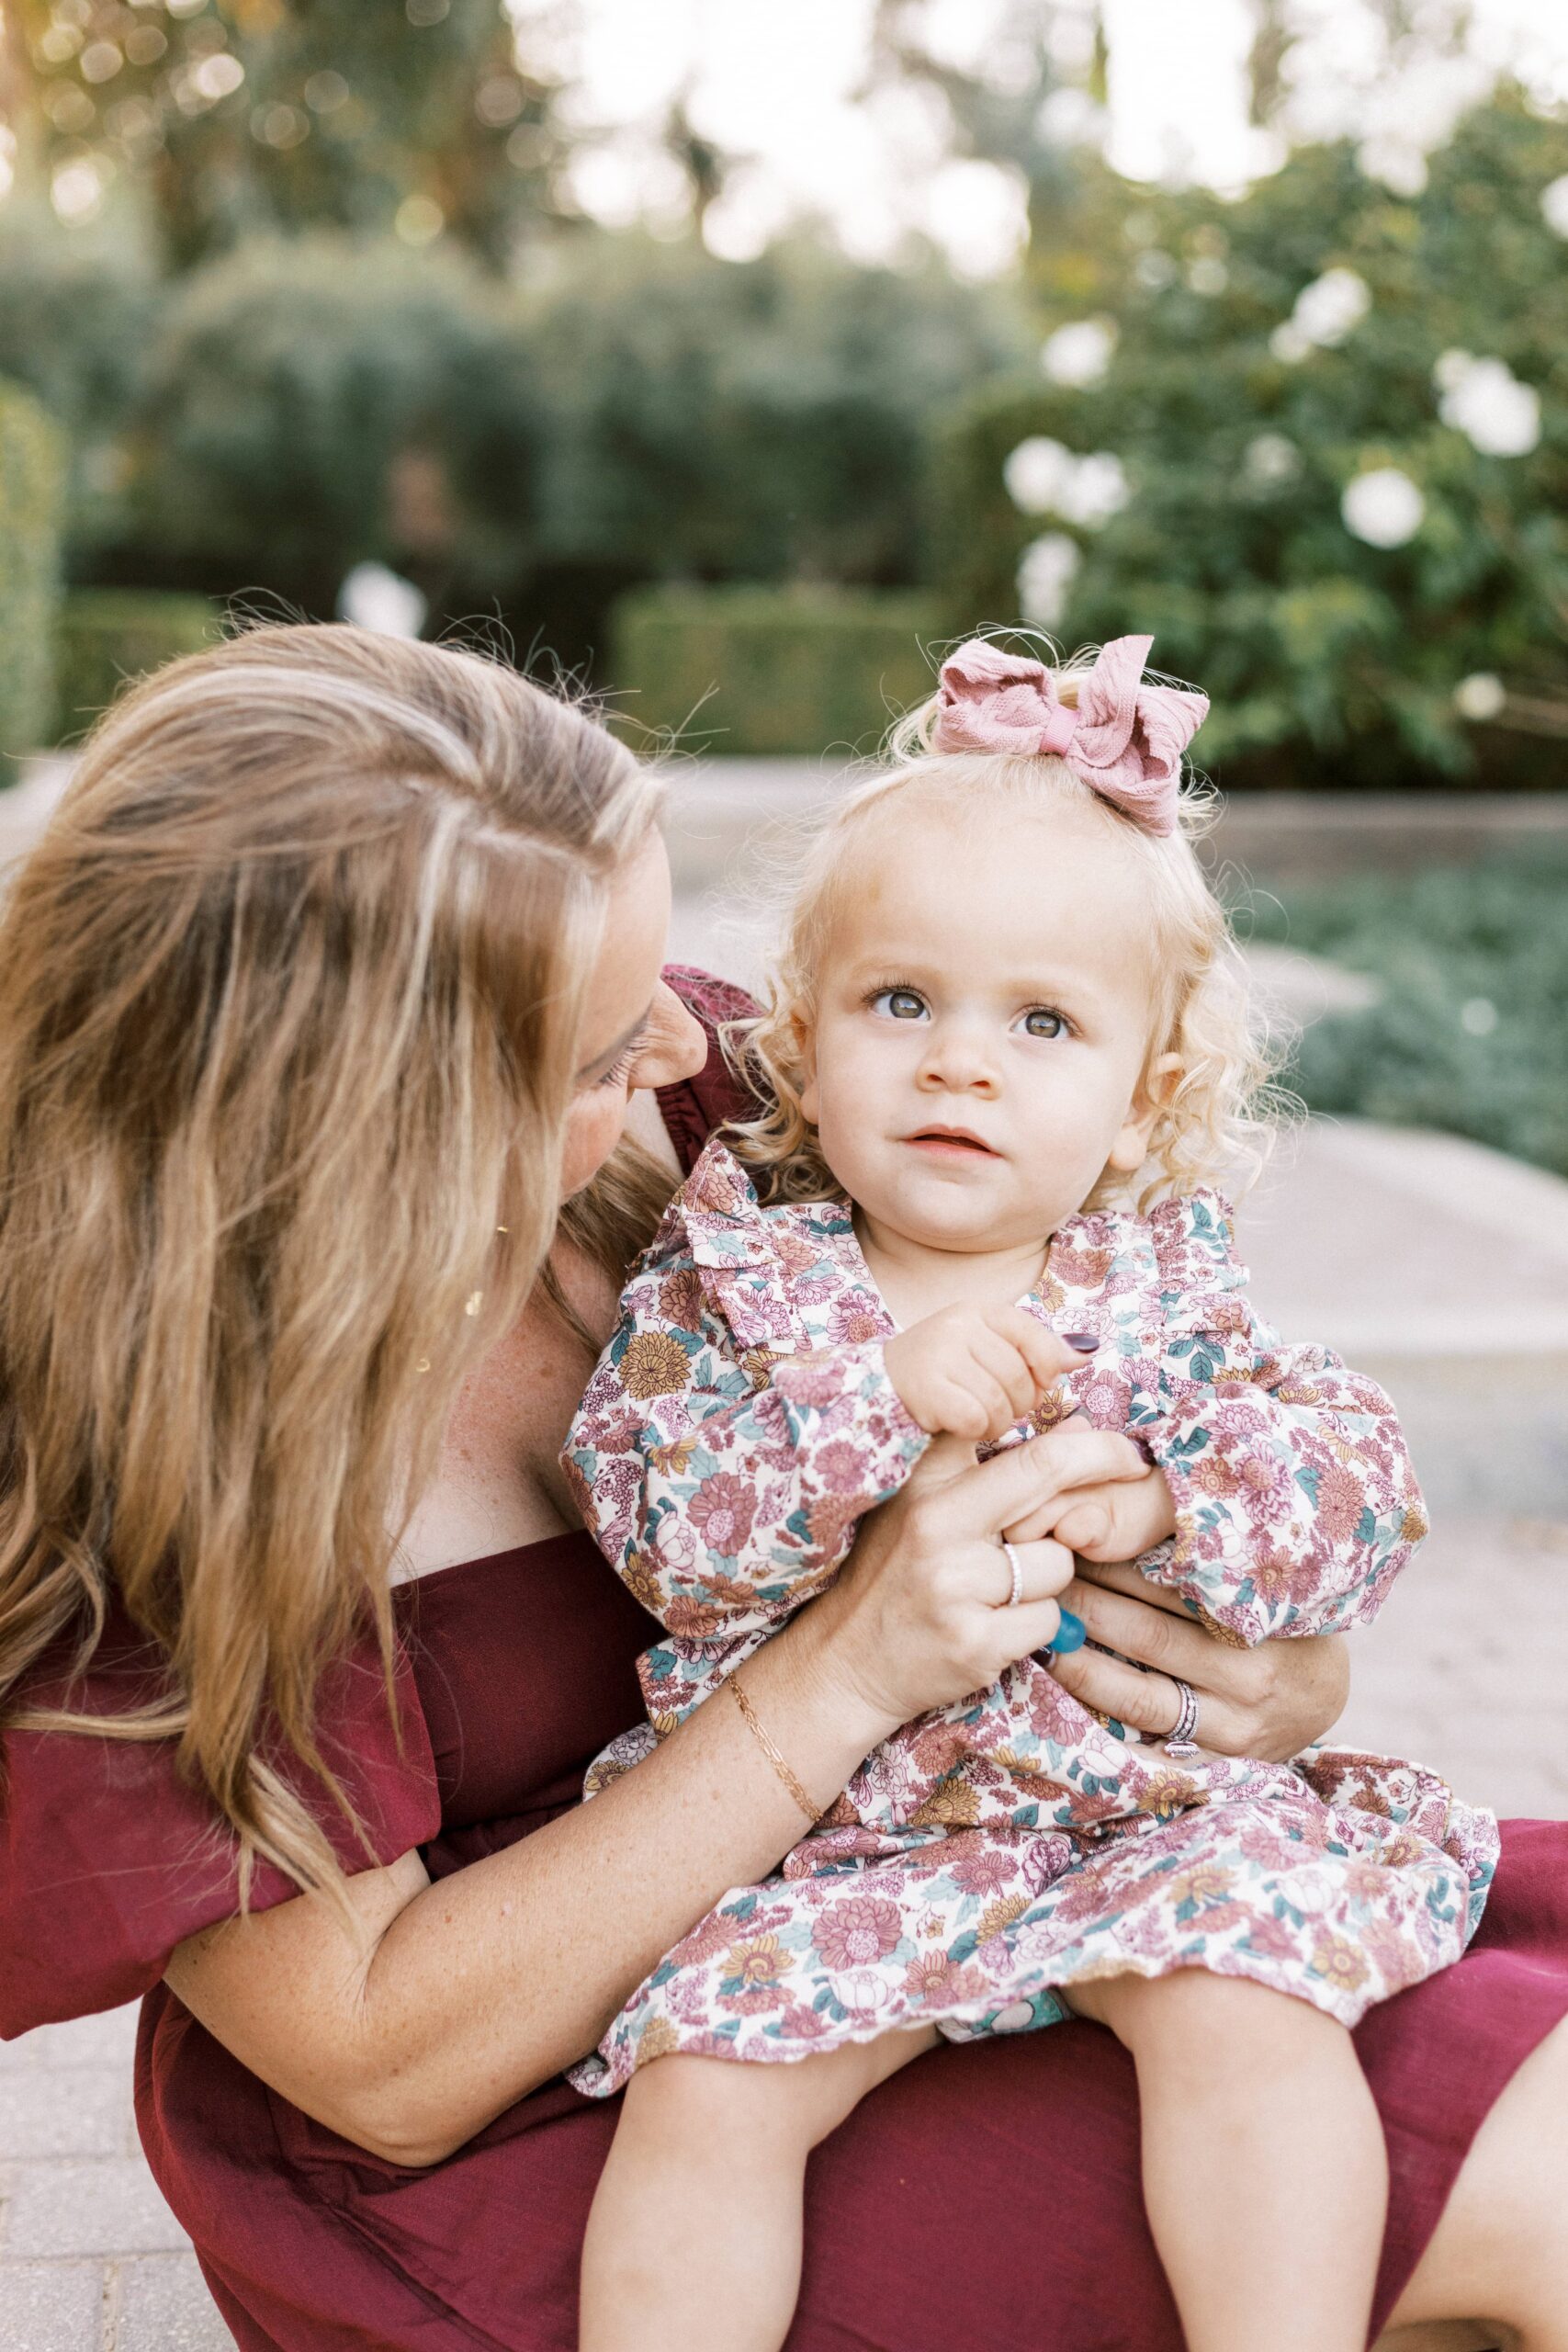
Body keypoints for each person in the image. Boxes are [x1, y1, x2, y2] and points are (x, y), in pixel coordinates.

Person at [0, 623, 1563, 2352]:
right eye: (600, 1053)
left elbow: (1264, 1445)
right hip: (562, 2078)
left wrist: (1253, 1660)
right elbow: (384, 2066)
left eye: (673, 974)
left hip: (1018, 1839)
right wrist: (852, 1665)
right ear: (381, 1129)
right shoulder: (123, 1463)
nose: (689, 1048)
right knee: (1524, 2178)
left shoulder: (774, 1124)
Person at [564, 635, 1496, 2352]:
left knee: (1251, 2005)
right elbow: (660, 1538)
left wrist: (1176, 1499)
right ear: (803, 1038)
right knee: (708, 2091)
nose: (959, 1065)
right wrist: (861, 1406)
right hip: (838, 1849)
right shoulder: (743, 1281)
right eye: (898, 1002)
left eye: (1042, 1022)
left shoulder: (1157, 1289)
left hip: (1133, 1817)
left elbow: (1358, 1492)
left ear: (1144, 1097)